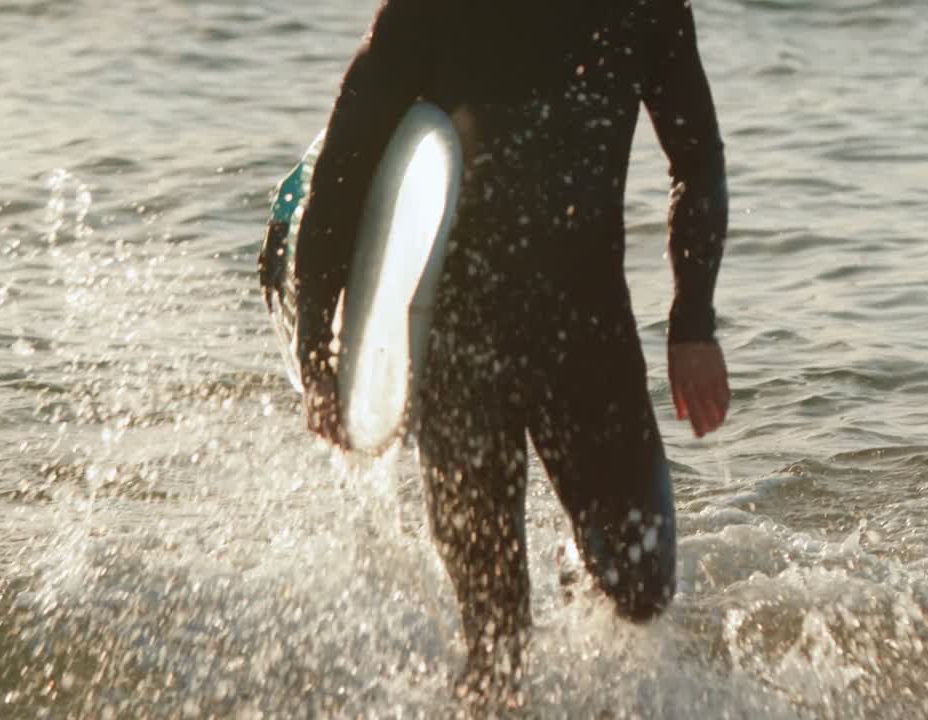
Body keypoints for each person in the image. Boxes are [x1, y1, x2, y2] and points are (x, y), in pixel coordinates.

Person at [292, 0, 729, 703]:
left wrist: (693, 324)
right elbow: (343, 172)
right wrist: (319, 353)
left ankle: (577, 565)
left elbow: (698, 160)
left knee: (642, 588)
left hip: (587, 333)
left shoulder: (643, 10)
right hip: (458, 347)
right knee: (496, 642)